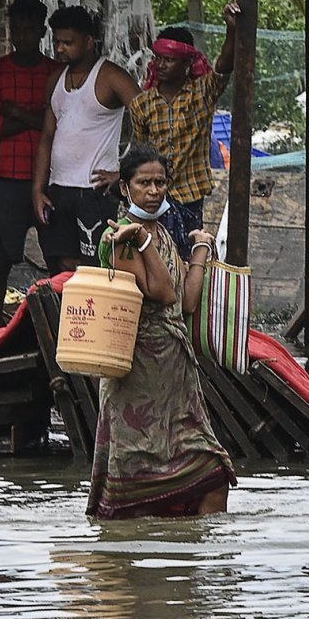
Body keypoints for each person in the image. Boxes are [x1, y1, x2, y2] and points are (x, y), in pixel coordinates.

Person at [85, 144, 236, 519]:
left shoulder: (162, 235)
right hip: (136, 376)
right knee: (137, 491)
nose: (153, 192)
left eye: (160, 183)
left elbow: (184, 302)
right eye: (143, 183)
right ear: (125, 189)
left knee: (213, 476)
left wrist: (200, 249)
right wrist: (142, 241)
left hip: (175, 380)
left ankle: (184, 561)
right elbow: (162, 291)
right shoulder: (119, 240)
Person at [30, 4, 141, 273]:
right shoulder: (55, 79)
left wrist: (123, 174)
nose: (59, 49)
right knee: (59, 265)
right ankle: (62, 317)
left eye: (68, 42)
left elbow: (149, 119)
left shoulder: (111, 76)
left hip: (94, 192)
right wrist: (37, 189)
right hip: (58, 189)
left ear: (89, 41)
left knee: (94, 267)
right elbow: (46, 138)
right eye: (56, 42)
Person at [0, 0, 63, 325]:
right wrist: (40, 118)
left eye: (31, 29)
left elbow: (61, 123)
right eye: (18, 29)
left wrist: (17, 112)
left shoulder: (56, 72)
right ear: (10, 30)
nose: (24, 36)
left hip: (51, 179)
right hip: (9, 180)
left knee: (57, 260)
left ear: (42, 31)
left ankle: (58, 327)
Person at [127, 6, 240, 258]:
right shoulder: (142, 104)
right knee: (155, 257)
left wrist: (231, 30)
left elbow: (223, 67)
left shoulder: (202, 93)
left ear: (187, 62)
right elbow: (141, 153)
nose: (162, 65)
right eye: (159, 58)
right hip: (154, 196)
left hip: (189, 195)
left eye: (170, 59)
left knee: (187, 258)